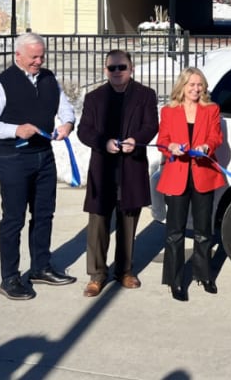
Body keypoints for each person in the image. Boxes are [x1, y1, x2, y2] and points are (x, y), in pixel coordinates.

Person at [0, 32, 77, 300]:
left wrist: (67, 124)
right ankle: (9, 278)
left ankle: (40, 267)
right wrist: (15, 129)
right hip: (12, 159)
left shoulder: (48, 78)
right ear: (17, 55)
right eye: (33, 57)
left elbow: (65, 108)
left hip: (44, 156)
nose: (38, 61)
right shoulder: (0, 85)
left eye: (42, 56)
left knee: (44, 214)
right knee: (13, 219)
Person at [76, 50, 158, 298]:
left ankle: (125, 270)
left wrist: (137, 139)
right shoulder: (94, 98)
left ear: (131, 69)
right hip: (103, 168)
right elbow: (84, 130)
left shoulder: (145, 95)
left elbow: (151, 125)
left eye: (122, 67)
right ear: (105, 70)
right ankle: (96, 275)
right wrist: (103, 142)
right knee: (98, 222)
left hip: (131, 166)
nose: (117, 72)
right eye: (112, 68)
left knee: (128, 219)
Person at [156, 67, 226, 302]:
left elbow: (216, 137)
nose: (196, 89)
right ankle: (175, 280)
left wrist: (207, 146)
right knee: (174, 232)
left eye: (200, 85)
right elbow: (162, 141)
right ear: (182, 86)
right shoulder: (169, 111)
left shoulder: (212, 109)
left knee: (203, 231)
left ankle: (204, 274)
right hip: (177, 175)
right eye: (192, 85)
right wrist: (171, 147)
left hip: (203, 173)